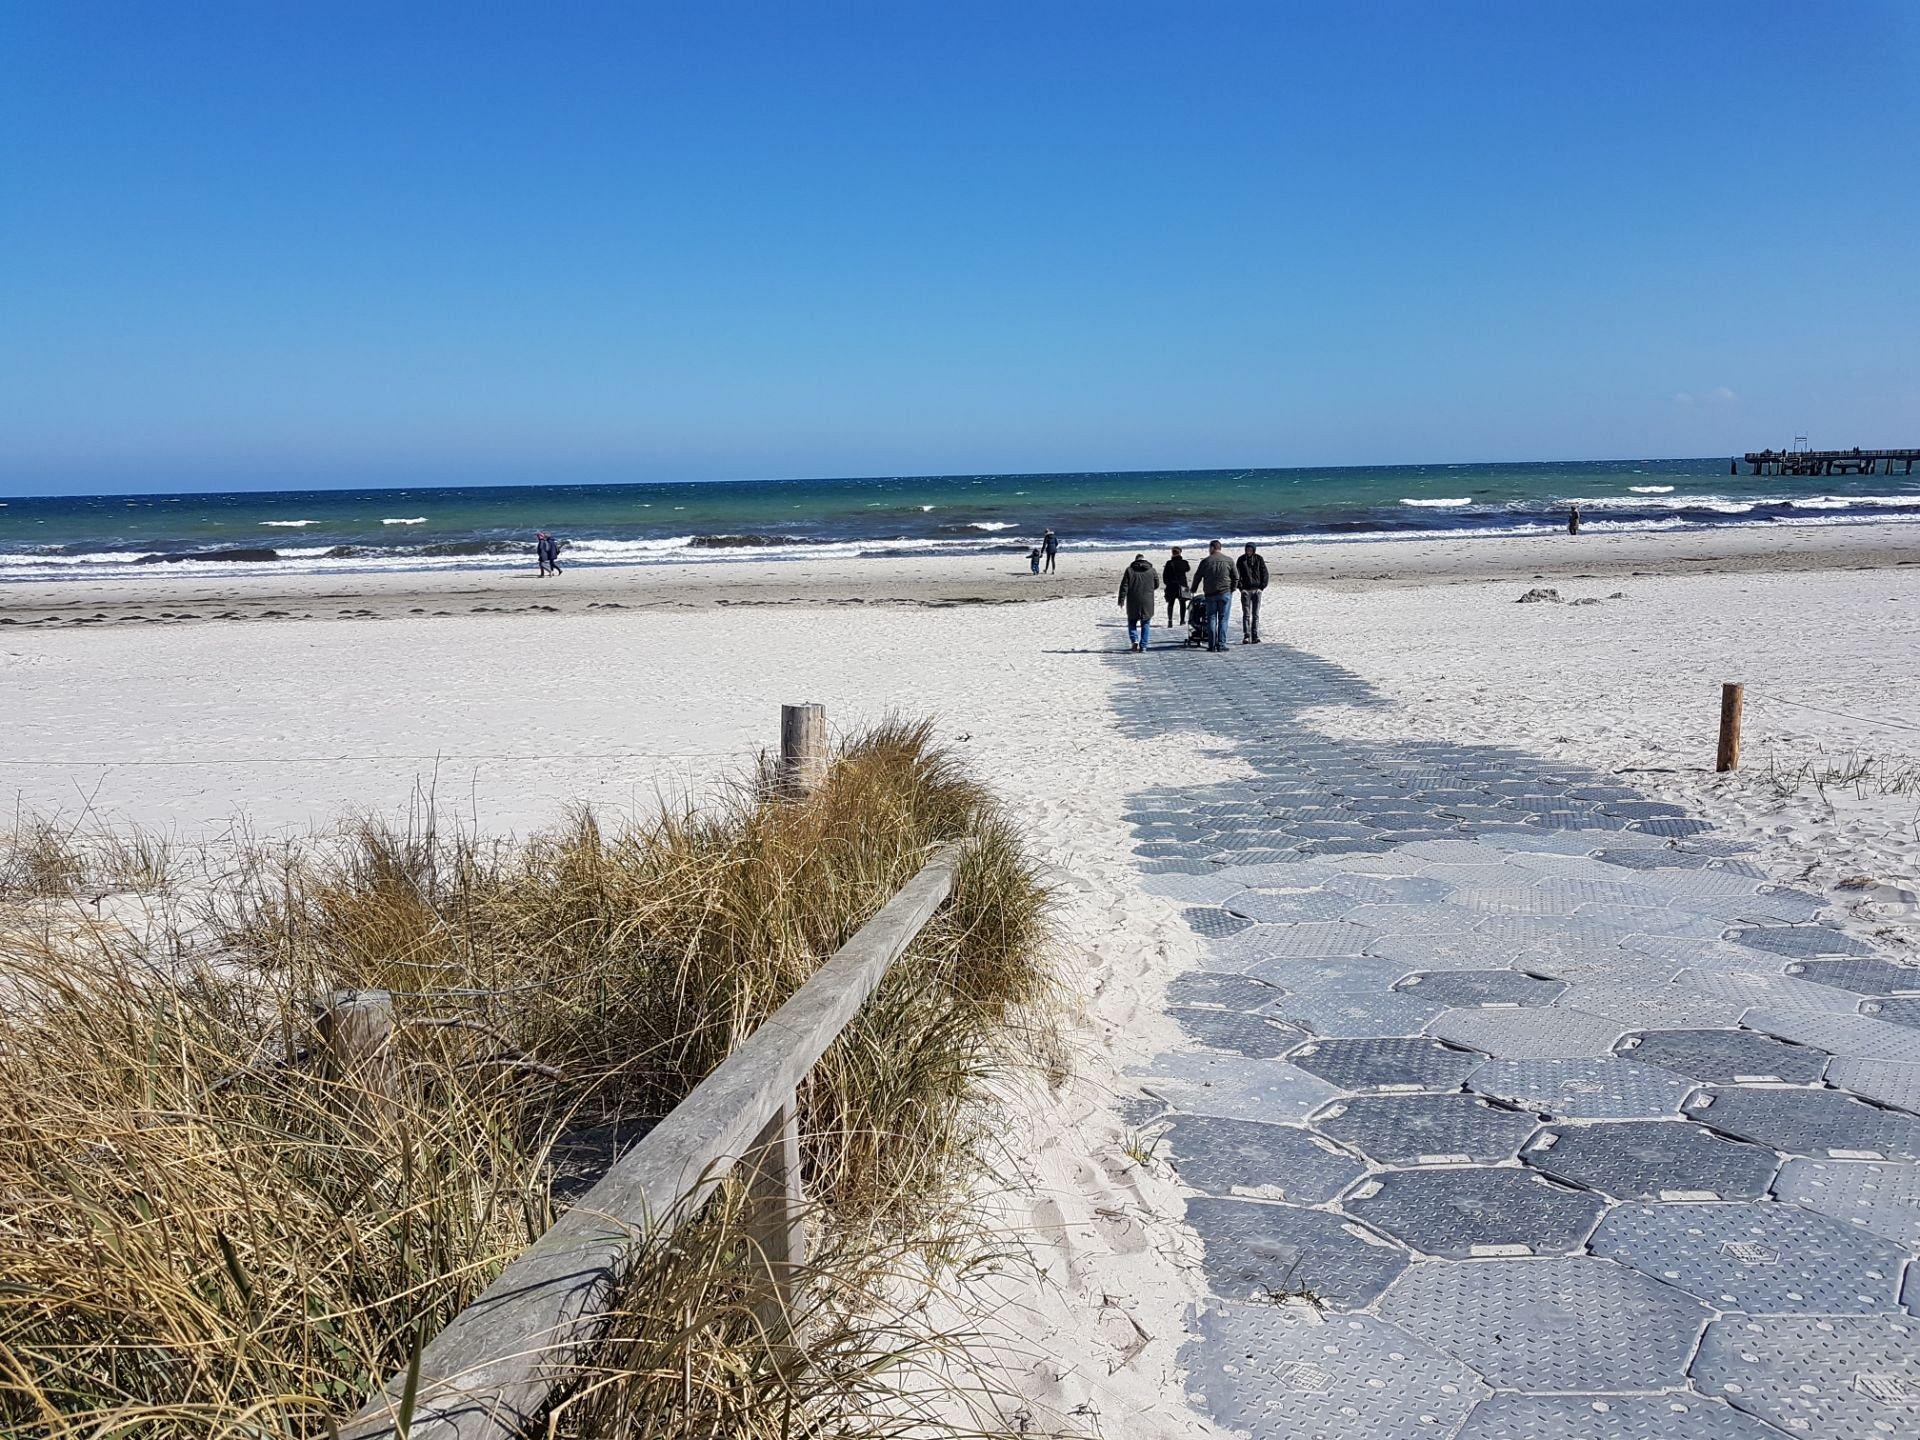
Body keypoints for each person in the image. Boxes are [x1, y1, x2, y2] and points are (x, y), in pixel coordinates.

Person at [1191, 540, 1237, 653]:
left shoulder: (1206, 561)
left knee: (1211, 619)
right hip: (1225, 593)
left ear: (1212, 548)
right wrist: (1232, 589)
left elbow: (1197, 576)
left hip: (1210, 594)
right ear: (1220, 548)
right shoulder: (1229, 560)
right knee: (1223, 619)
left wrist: (1193, 589)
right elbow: (1236, 577)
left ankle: (1211, 645)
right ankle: (1221, 644)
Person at [1117, 552, 1159, 652]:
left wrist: (1121, 599)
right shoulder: (1152, 570)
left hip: (1133, 600)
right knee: (1146, 623)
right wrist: (1149, 589)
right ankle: (1143, 646)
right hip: (1147, 600)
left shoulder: (1129, 570)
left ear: (1135, 560)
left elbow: (1124, 586)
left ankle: (1134, 640)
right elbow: (1156, 584)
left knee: (1132, 621)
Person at [1235, 542, 1269, 644]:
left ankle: (1255, 635)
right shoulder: (1241, 560)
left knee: (1256, 614)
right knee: (1246, 614)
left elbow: (1265, 574)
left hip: (1257, 590)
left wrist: (1261, 588)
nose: (1248, 551)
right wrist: (1241, 588)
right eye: (1247, 549)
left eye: (1250, 549)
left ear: (1254, 550)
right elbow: (1237, 575)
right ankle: (1246, 635)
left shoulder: (1259, 559)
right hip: (1246, 590)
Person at [1162, 546, 1191, 627]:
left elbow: (1165, 576)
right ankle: (1182, 621)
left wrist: (1167, 584)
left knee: (1171, 603)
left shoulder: (1169, 563)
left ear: (1172, 553)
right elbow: (1188, 569)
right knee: (1183, 603)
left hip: (1171, 585)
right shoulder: (1184, 562)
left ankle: (1170, 621)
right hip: (1183, 585)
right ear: (1180, 552)